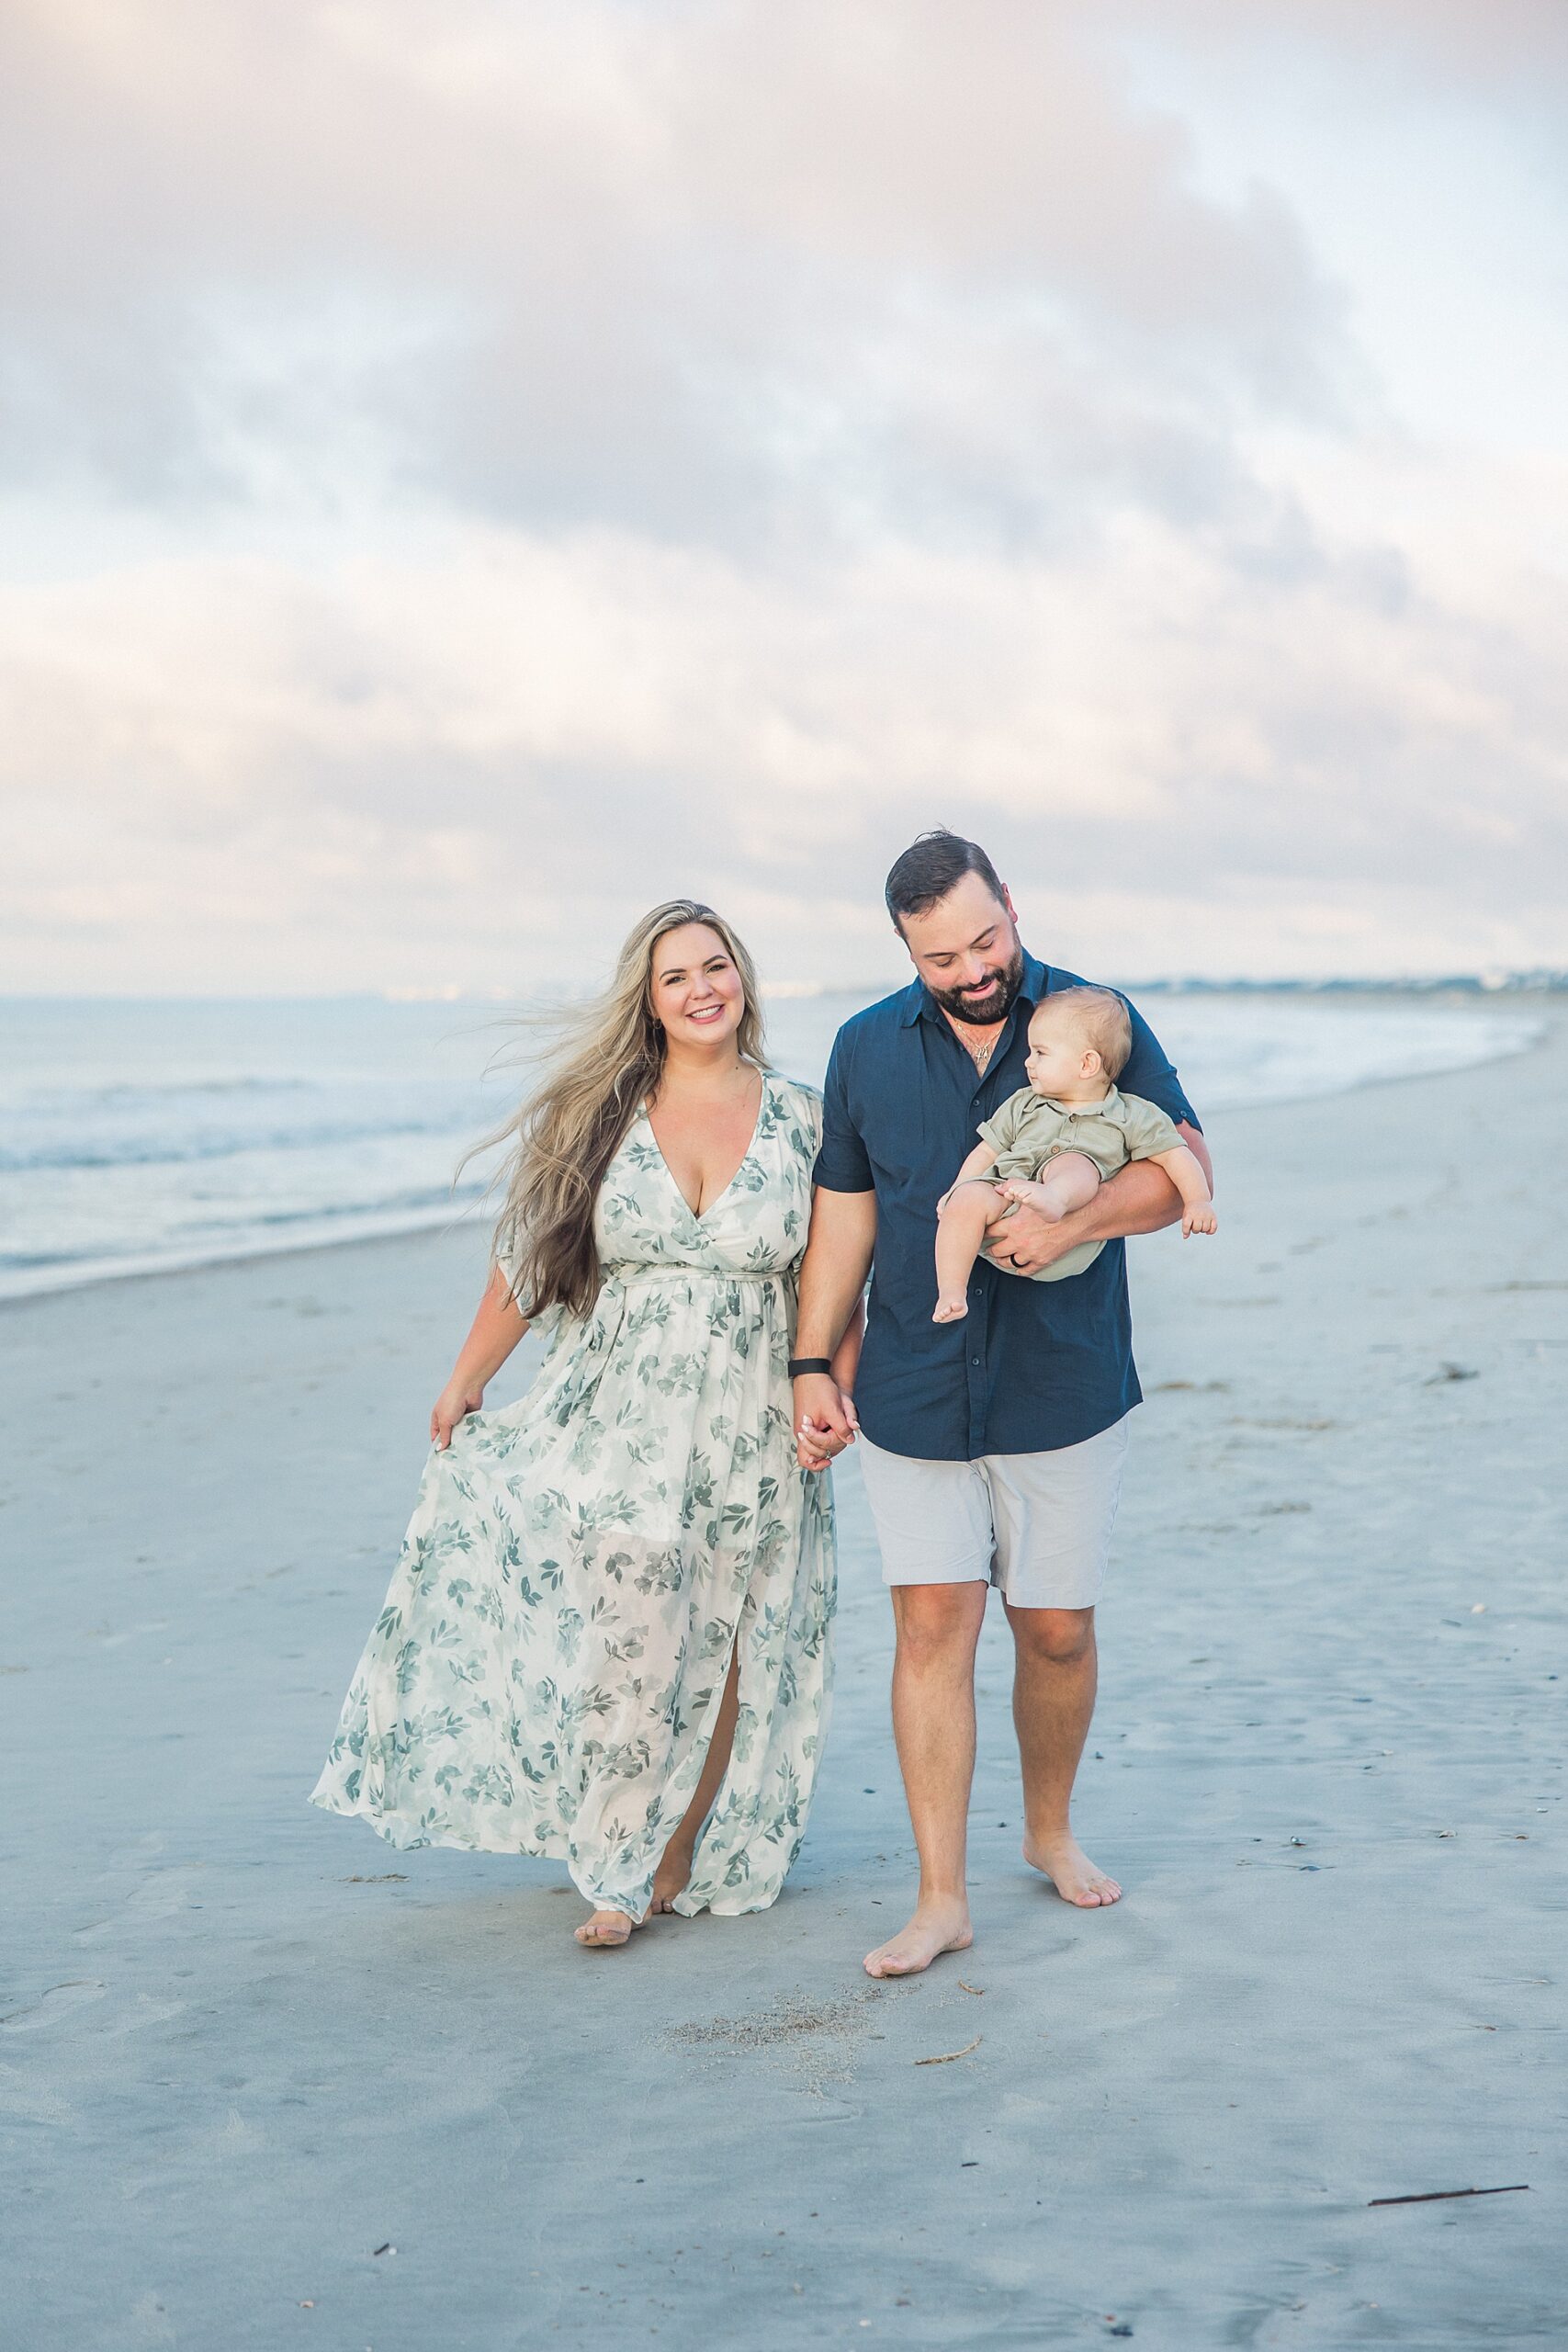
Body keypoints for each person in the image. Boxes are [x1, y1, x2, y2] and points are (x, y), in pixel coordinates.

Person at [312, 900, 853, 1949]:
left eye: (716, 966)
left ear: (743, 977)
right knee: (633, 1626)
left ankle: (684, 1839)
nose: (702, 988)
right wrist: (467, 1377)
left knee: (736, 1629)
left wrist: (826, 1385)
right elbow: (528, 1258)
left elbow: (838, 1277)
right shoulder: (605, 1113)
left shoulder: (804, 1116)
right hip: (617, 1406)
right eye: (675, 977)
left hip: (753, 1408)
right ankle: (616, 1859)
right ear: (647, 1003)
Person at [791, 831, 1212, 1978]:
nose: (973, 969)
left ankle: (1050, 1829)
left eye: (985, 939)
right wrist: (809, 1361)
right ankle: (939, 1899)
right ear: (904, 950)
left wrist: (1071, 1222)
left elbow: (1179, 1161)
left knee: (1057, 1630)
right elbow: (845, 1217)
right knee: (932, 1628)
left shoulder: (1093, 1018)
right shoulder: (864, 1047)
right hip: (914, 1391)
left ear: (1011, 906)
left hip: (1062, 1381)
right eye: (941, 957)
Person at [932, 983, 1215, 1321]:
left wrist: (1198, 1201)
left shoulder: (1130, 1113)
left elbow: (1177, 1155)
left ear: (1087, 1064)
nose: (1028, 1062)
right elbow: (985, 1152)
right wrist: (958, 1190)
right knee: (967, 1199)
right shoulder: (1024, 1104)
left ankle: (1053, 1197)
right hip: (1005, 1206)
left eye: (1041, 1052)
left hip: (1068, 1229)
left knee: (1074, 1163)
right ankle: (951, 1292)